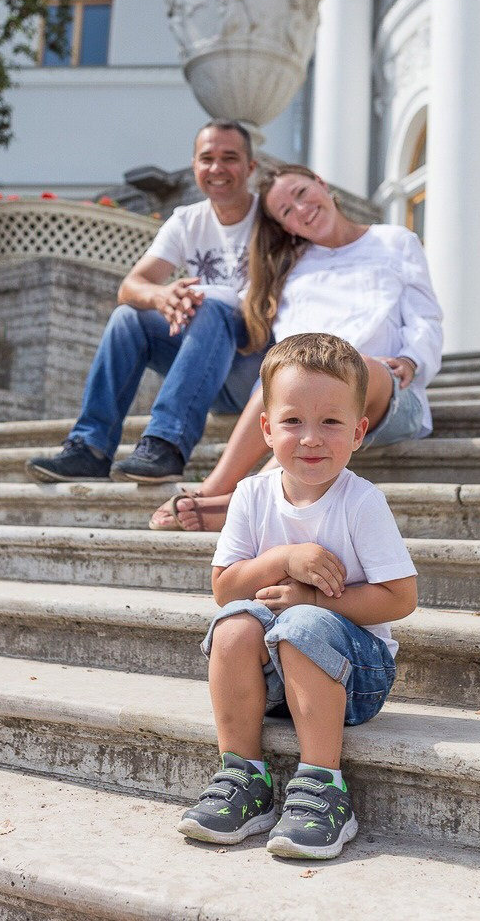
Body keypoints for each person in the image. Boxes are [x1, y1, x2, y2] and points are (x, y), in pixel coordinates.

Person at [177, 333, 418, 859]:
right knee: (236, 623)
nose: (311, 438)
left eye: (331, 422)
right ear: (266, 429)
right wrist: (286, 559)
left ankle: (323, 789)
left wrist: (318, 600)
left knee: (303, 625)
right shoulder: (251, 494)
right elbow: (224, 587)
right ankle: (244, 778)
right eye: (292, 422)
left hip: (355, 675)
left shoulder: (361, 502)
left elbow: (400, 597)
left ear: (358, 432)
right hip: (274, 679)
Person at [150, 164, 443, 530]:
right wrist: (177, 296)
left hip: (388, 391)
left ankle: (250, 499)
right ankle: (212, 491)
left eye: (302, 194)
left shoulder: (395, 241)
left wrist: (411, 360)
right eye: (287, 211)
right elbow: (238, 302)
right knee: (283, 375)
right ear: (287, 227)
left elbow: (425, 319)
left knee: (354, 367)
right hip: (307, 390)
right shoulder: (293, 265)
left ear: (321, 183)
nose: (301, 209)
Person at [26, 120, 266, 485]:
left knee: (213, 306)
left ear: (250, 167)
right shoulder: (187, 220)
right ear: (194, 166)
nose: (217, 168)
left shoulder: (273, 218)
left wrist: (200, 299)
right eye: (207, 158)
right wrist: (163, 295)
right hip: (202, 367)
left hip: (254, 368)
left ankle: (166, 444)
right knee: (128, 317)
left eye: (229, 158)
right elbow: (130, 285)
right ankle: (90, 448)